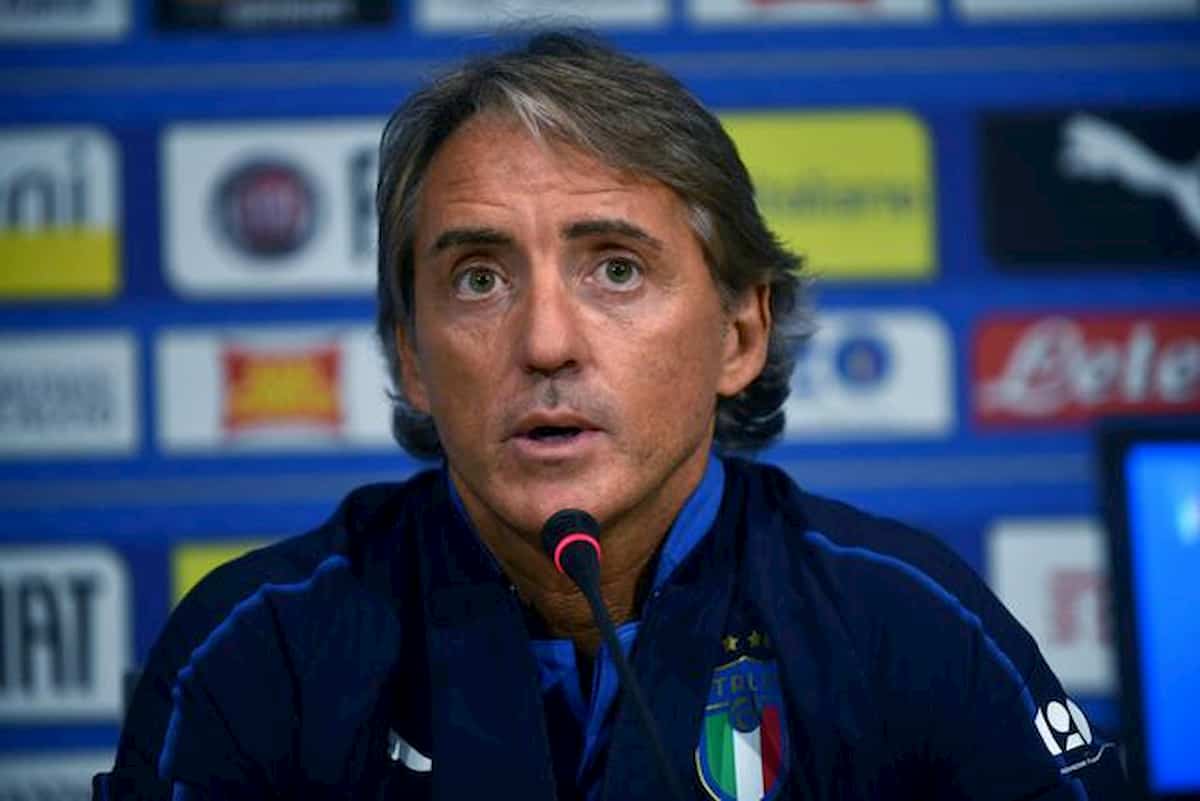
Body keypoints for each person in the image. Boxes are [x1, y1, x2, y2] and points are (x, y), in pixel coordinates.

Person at [96, 31, 1127, 801]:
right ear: (411, 354)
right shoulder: (258, 649)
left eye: (617, 269)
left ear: (739, 333)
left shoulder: (908, 624)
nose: (547, 341)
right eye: (480, 279)